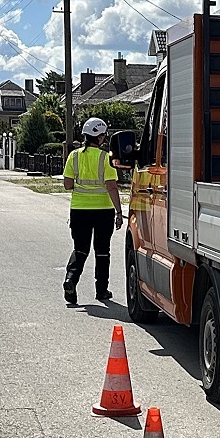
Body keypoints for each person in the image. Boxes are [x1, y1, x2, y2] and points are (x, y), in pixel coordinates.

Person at [62, 117, 123, 307]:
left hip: (79, 210)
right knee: (102, 251)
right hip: (103, 211)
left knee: (80, 249)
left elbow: (67, 185)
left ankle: (71, 280)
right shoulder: (106, 158)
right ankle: (101, 290)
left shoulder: (74, 156)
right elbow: (112, 187)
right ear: (100, 137)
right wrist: (119, 212)